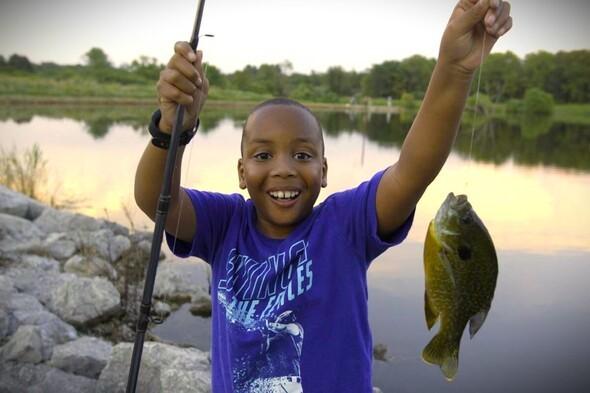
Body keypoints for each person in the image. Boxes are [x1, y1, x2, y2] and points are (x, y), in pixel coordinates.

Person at [134, 0, 512, 391]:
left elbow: (413, 171)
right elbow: (154, 199)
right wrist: (171, 126)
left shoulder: (344, 225)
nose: (284, 167)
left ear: (324, 171)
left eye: (302, 155)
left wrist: (453, 68)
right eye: (264, 155)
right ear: (242, 173)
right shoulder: (223, 224)